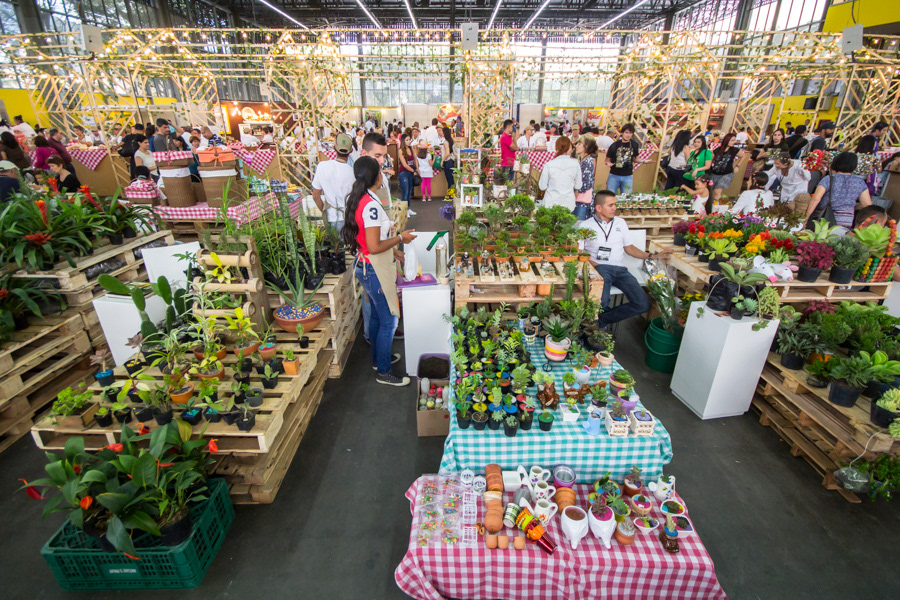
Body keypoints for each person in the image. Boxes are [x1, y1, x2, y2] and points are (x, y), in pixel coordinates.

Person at [342, 156, 416, 386]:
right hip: (374, 269)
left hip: (366, 265)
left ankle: (378, 359)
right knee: (389, 320)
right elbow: (374, 246)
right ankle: (384, 372)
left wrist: (395, 251)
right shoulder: (371, 205)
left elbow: (368, 240)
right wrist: (400, 238)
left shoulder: (360, 198)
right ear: (377, 177)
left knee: (376, 315)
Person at [579, 190, 671, 330]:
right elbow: (579, 252)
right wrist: (594, 265)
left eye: (615, 204)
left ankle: (600, 320)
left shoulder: (620, 223)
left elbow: (629, 248)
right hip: (599, 267)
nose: (614, 208)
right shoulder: (586, 226)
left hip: (620, 270)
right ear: (598, 208)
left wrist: (652, 256)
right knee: (602, 302)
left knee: (642, 304)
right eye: (610, 205)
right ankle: (596, 330)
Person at [805, 152, 872, 229]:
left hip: (824, 219)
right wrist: (851, 205)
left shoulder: (828, 179)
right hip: (846, 221)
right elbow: (866, 204)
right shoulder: (859, 181)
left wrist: (806, 218)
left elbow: (816, 199)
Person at [312, 133, 354, 231]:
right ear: (351, 151)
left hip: (331, 218)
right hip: (348, 219)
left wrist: (325, 211)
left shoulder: (322, 166)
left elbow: (315, 196)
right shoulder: (353, 172)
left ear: (334, 148)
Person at [538, 137, 582, 210]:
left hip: (550, 203)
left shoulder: (549, 164)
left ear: (556, 148)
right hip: (568, 204)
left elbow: (542, 186)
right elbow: (578, 186)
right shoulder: (576, 164)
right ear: (569, 148)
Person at [605, 123, 641, 194]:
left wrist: (643, 161)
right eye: (626, 132)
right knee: (610, 195)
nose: (628, 135)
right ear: (622, 133)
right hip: (614, 175)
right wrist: (608, 163)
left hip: (628, 175)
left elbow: (634, 158)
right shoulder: (614, 145)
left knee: (626, 197)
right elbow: (607, 159)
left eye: (630, 133)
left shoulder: (634, 145)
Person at [707, 133, 745, 201]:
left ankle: (715, 205)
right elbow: (710, 160)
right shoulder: (717, 149)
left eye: (734, 140)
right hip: (714, 172)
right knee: (711, 191)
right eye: (732, 140)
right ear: (727, 140)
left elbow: (743, 156)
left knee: (717, 191)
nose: (733, 142)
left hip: (727, 173)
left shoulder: (735, 150)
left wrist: (737, 166)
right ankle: (712, 204)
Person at [573, 135, 598, 220]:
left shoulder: (587, 162)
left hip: (582, 202)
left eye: (579, 144)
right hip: (580, 200)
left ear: (586, 147)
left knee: (579, 225)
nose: (576, 146)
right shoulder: (584, 160)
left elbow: (584, 185)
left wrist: (574, 194)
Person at [397, 133, 416, 210]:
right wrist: (413, 171)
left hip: (410, 173)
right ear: (403, 141)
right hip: (403, 173)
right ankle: (404, 210)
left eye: (409, 140)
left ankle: (408, 208)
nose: (409, 141)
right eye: (407, 140)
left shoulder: (411, 149)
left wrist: (417, 169)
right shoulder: (401, 150)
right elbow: (404, 164)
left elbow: (415, 159)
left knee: (410, 191)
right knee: (405, 192)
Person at [439, 126, 455, 191]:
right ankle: (451, 193)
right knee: (451, 179)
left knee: (449, 179)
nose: (441, 133)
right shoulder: (451, 141)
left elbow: (447, 153)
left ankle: (450, 194)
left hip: (448, 161)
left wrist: (442, 160)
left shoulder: (445, 142)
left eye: (442, 132)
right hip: (451, 161)